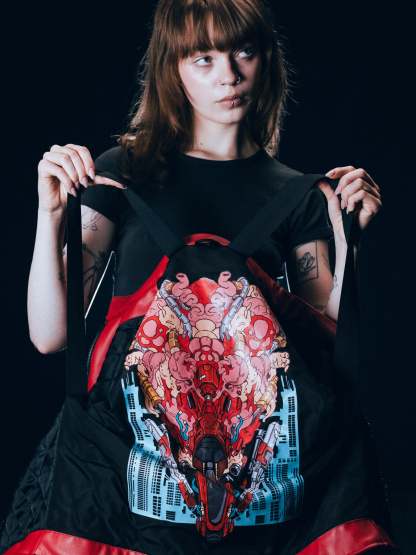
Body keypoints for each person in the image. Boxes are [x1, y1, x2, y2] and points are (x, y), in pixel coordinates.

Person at [1, 1, 400, 554]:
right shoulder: (122, 173)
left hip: (257, 480)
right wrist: (50, 218)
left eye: (243, 52)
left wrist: (349, 237)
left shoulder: (299, 193)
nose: (228, 76)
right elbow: (50, 335)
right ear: (173, 69)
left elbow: (326, 345)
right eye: (203, 58)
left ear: (266, 59)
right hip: (127, 470)